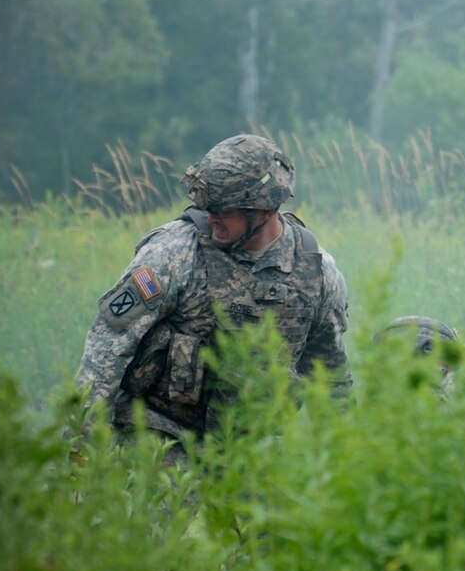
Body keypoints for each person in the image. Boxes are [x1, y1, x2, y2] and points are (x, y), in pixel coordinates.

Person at [77, 134, 350, 443]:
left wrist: (343, 460)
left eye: (224, 210)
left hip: (247, 449)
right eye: (207, 207)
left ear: (265, 210)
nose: (211, 217)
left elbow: (330, 373)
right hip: (159, 433)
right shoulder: (174, 252)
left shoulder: (316, 271)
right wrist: (81, 442)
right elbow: (108, 344)